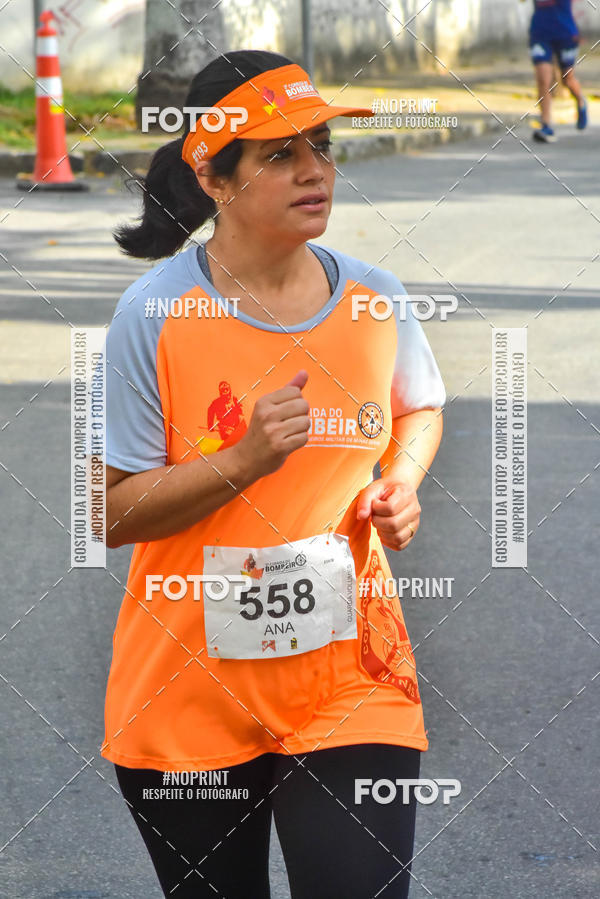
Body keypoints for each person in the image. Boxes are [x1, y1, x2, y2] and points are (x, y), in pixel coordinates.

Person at [103, 49, 446, 898]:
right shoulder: (153, 313)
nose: (314, 170)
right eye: (279, 153)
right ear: (217, 179)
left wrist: (400, 481)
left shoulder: (376, 298)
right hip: (187, 692)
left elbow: (418, 408)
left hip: (350, 679)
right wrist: (243, 460)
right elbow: (107, 512)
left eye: (320, 145)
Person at [522, 0, 588, 142]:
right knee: (542, 80)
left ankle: (581, 101)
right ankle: (546, 126)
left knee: (567, 79)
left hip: (565, 33)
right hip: (540, 33)